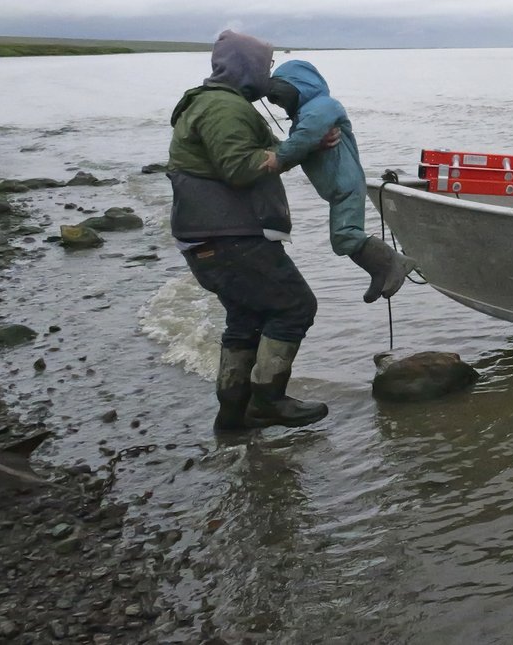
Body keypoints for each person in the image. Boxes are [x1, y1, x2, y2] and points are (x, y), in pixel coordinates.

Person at [167, 30, 329, 432]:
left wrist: (308, 144)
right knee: (295, 306)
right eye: (265, 65)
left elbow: (260, 156)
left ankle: (233, 416)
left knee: (247, 319)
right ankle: (269, 401)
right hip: (230, 237)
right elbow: (241, 169)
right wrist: (302, 146)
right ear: (247, 67)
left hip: (208, 238)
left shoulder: (211, 103)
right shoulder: (224, 108)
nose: (269, 72)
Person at [263, 59, 416, 302]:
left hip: (346, 185)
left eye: (281, 99)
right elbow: (306, 139)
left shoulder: (323, 107)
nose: (281, 106)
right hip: (337, 189)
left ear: (295, 88)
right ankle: (379, 271)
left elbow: (307, 135)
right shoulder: (306, 114)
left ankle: (393, 262)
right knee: (342, 238)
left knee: (346, 235)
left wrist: (279, 157)